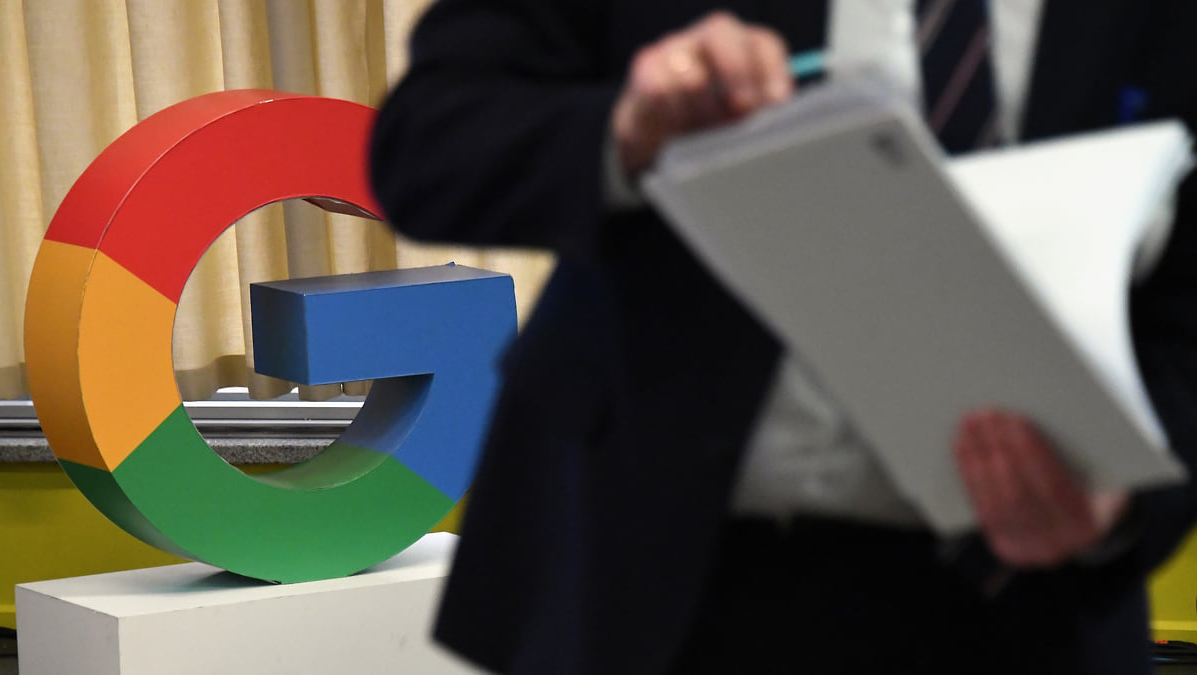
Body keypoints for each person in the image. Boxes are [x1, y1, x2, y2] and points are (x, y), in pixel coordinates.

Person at [369, 1, 1197, 673]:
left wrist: (1126, 501)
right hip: (662, 583)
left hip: (1031, 601)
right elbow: (427, 142)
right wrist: (626, 131)